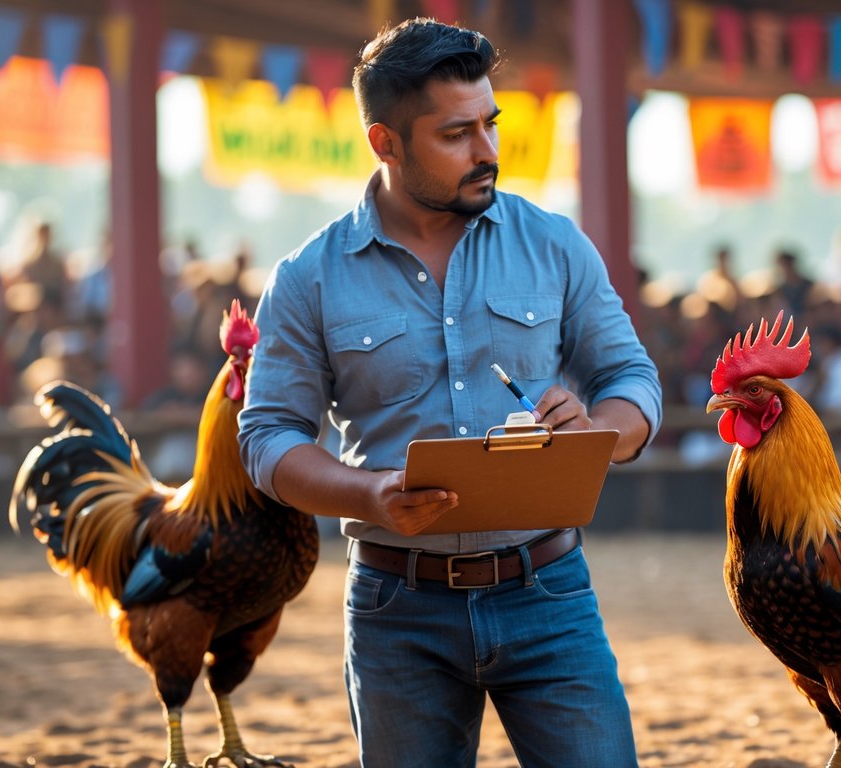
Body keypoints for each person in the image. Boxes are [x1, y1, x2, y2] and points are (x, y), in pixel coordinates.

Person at [238, 19, 660, 767]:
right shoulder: (307, 277)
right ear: (385, 143)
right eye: (456, 133)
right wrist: (367, 495)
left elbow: (632, 381)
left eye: (489, 124)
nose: (487, 151)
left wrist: (597, 427)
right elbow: (267, 437)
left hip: (551, 593)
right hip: (395, 610)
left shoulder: (555, 243)